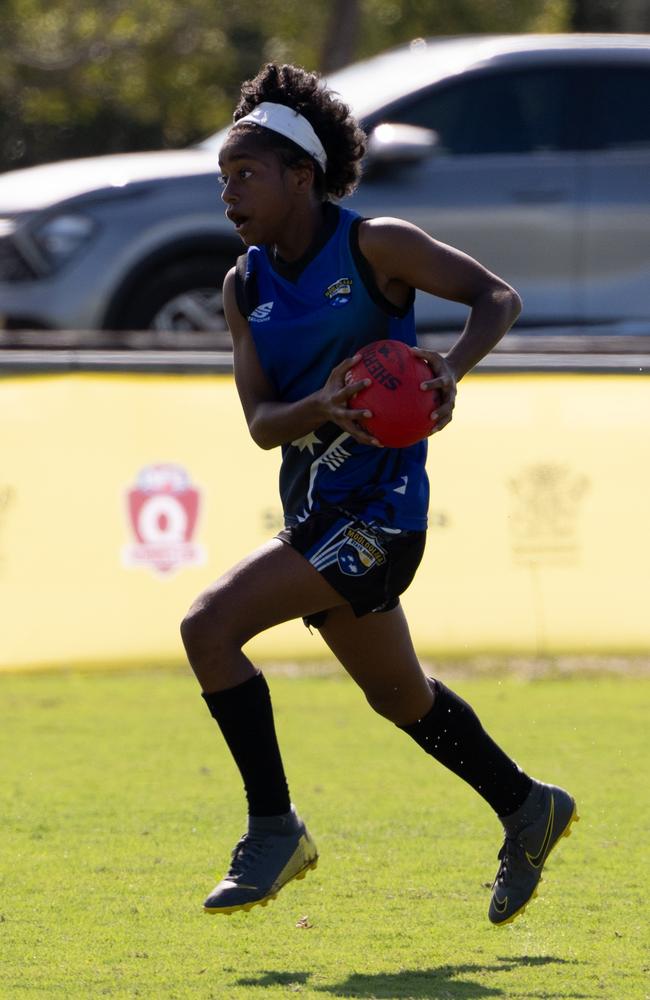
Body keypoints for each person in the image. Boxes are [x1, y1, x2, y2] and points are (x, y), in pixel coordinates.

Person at [180, 62, 577, 927]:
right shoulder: (243, 286)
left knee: (209, 628)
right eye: (222, 179)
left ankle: (274, 828)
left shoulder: (375, 245)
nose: (230, 193)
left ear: (301, 175)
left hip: (381, 515)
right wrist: (318, 406)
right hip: (315, 515)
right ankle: (527, 806)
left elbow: (495, 298)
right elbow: (260, 424)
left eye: (245, 174)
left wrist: (449, 369)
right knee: (399, 697)